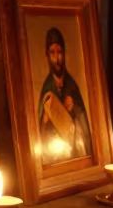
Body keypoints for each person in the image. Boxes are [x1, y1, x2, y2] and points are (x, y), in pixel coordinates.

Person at [36, 27, 91, 162]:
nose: (57, 58)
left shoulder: (72, 86)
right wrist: (44, 121)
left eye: (59, 52)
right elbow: (39, 136)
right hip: (54, 157)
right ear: (47, 56)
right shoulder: (47, 88)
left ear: (64, 53)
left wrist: (75, 109)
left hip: (74, 153)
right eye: (52, 53)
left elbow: (84, 128)